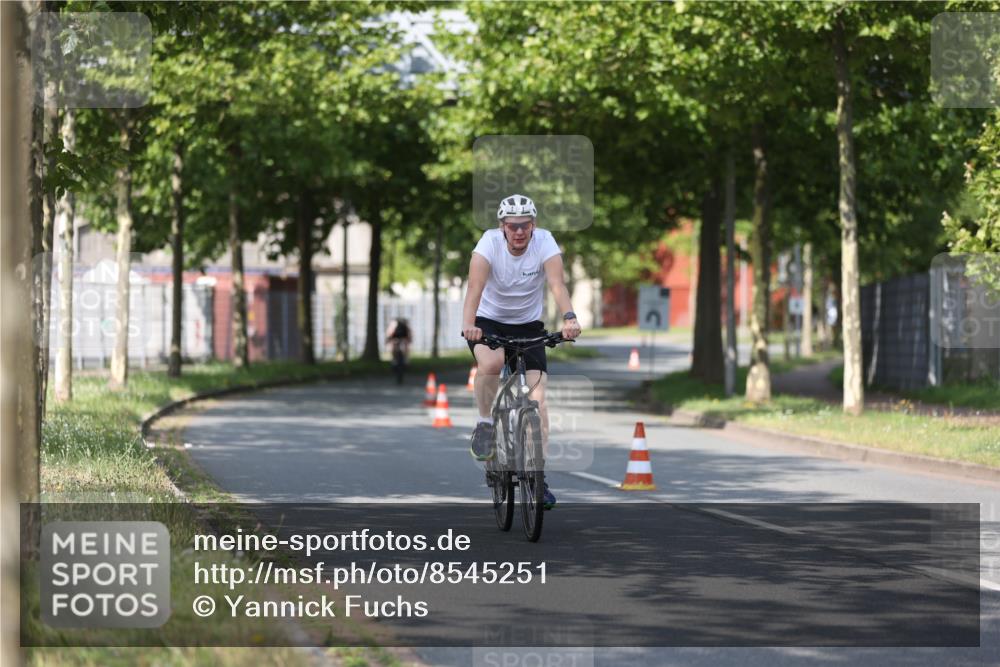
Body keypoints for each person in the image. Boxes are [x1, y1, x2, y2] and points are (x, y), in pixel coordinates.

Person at [462, 194, 582, 510]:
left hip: (529, 326)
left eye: (525, 225)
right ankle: (486, 423)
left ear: (533, 225)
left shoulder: (545, 242)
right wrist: (469, 325)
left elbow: (557, 285)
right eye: (513, 226)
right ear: (503, 227)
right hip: (488, 323)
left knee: (539, 401)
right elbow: (474, 289)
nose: (519, 232)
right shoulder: (488, 244)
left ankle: (538, 480)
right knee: (492, 362)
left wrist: (569, 317)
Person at [385, 317, 412, 382]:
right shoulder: (396, 326)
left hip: (400, 340)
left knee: (403, 348)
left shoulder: (396, 325)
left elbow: (409, 336)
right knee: (397, 348)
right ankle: (397, 360)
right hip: (398, 341)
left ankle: (398, 361)